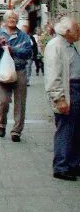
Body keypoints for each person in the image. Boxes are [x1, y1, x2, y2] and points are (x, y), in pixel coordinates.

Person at [43, 16, 80, 181]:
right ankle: (61, 167)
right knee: (65, 129)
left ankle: (73, 164)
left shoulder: (69, 45)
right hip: (68, 90)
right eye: (77, 30)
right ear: (67, 31)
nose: (79, 33)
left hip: (75, 89)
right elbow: (53, 74)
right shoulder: (55, 45)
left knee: (76, 130)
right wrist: (59, 98)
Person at [0, 10, 33, 142]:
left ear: (17, 20)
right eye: (10, 18)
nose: (12, 20)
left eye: (14, 18)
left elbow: (28, 52)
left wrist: (12, 49)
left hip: (19, 70)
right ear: (5, 19)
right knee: (4, 100)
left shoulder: (23, 36)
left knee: (20, 103)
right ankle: (1, 124)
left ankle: (16, 132)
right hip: (2, 71)